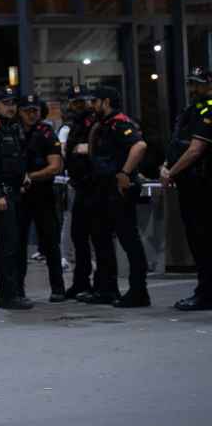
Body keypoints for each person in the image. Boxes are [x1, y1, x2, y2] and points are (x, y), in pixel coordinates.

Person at [90, 86, 150, 308]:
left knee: (129, 240)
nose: (92, 106)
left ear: (106, 102)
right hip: (104, 189)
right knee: (101, 238)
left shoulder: (120, 122)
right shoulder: (104, 125)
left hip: (119, 190)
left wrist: (125, 173)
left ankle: (139, 291)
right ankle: (107, 289)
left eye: (95, 101)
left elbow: (139, 146)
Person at [160, 66, 212, 311]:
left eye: (198, 83)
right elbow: (178, 144)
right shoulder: (191, 110)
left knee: (204, 240)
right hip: (189, 184)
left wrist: (172, 171)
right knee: (197, 240)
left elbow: (195, 150)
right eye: (191, 83)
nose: (193, 88)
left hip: (204, 186)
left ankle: (206, 293)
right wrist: (165, 166)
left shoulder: (209, 109)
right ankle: (205, 290)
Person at [0, 87, 33, 310]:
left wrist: (24, 177)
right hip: (1, 195)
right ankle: (7, 295)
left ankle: (17, 291)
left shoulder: (13, 128)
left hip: (15, 191)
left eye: (13, 103)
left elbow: (16, 159)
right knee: (8, 245)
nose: (11, 107)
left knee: (17, 244)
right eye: (6, 103)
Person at [18, 93, 67, 302]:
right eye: (27, 110)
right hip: (19, 196)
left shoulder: (46, 133)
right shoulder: (11, 131)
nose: (31, 114)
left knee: (50, 244)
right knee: (18, 244)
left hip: (43, 194)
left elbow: (56, 166)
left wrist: (31, 176)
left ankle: (58, 289)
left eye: (35, 111)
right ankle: (17, 291)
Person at [59, 86, 98, 300]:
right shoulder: (73, 126)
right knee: (78, 236)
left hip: (96, 187)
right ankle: (81, 282)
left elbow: (100, 149)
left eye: (82, 102)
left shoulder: (96, 123)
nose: (78, 107)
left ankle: (103, 284)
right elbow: (68, 153)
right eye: (74, 103)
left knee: (98, 238)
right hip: (79, 186)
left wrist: (86, 149)